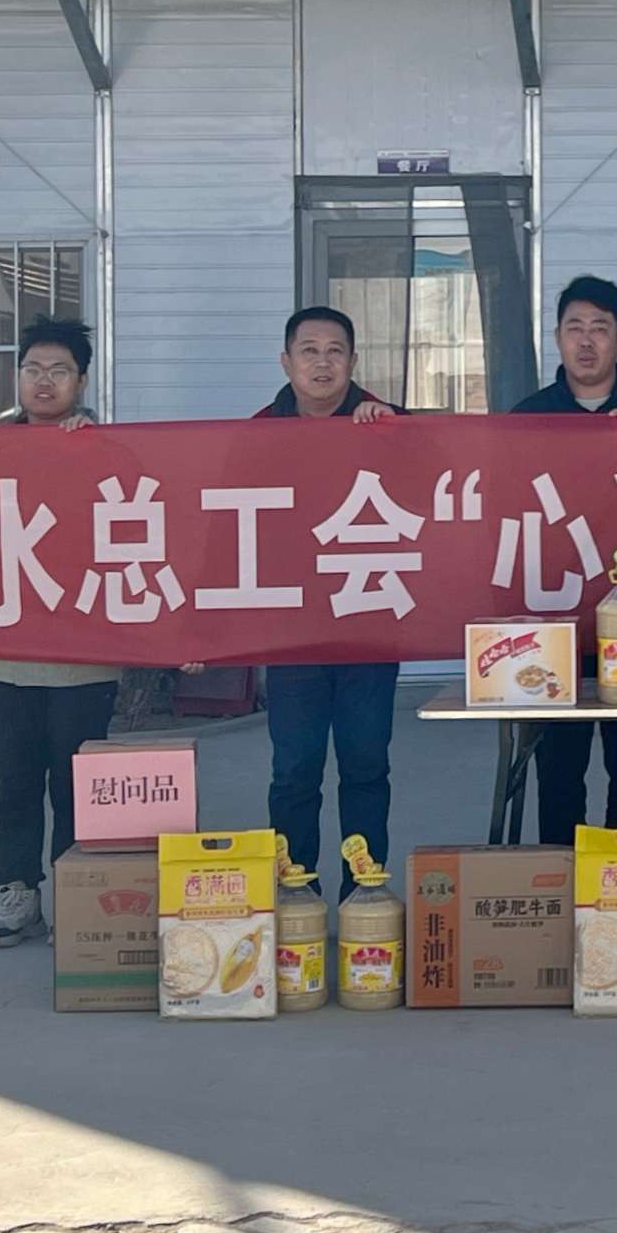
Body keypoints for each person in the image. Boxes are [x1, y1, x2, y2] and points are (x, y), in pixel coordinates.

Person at [0, 318, 113, 948]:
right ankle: (17, 893)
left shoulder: (109, 447)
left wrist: (95, 450)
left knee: (76, 782)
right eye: (33, 370)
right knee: (11, 779)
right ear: (17, 377)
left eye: (60, 371)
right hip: (3, 648)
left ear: (82, 381)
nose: (45, 382)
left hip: (83, 651)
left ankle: (77, 893)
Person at [507, 274, 617, 838]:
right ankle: (563, 877)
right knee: (559, 771)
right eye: (574, 328)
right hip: (555, 621)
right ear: (557, 337)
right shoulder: (526, 420)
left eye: (600, 329)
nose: (586, 341)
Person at [257, 305, 404, 892]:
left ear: (353, 362)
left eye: (335, 351)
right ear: (286, 361)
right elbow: (222, 530)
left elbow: (441, 481)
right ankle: (297, 893)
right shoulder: (257, 434)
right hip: (292, 631)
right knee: (294, 769)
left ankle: (364, 893)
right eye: (309, 351)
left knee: (366, 764)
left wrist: (395, 432)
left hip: (368, 624)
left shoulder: (387, 424)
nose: (322, 363)